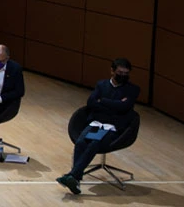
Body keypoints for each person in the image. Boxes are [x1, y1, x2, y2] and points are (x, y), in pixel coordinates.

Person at [55, 58, 140, 195]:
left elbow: (125, 107)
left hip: (112, 127)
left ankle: (73, 176)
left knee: (94, 143)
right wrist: (115, 104)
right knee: (81, 142)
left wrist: (103, 101)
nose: (123, 76)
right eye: (120, 72)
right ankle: (74, 178)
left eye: (126, 73)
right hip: (96, 123)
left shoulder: (133, 89)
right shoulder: (101, 85)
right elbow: (91, 103)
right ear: (112, 71)